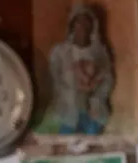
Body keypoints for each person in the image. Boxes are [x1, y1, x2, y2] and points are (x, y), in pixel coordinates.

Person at [46, 4, 113, 136]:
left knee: (91, 139)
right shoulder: (60, 52)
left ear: (93, 27)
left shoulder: (99, 52)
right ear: (72, 26)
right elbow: (54, 77)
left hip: (93, 110)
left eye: (86, 23)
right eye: (78, 23)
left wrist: (95, 92)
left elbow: (108, 79)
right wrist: (70, 87)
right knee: (66, 138)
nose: (82, 28)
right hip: (68, 108)